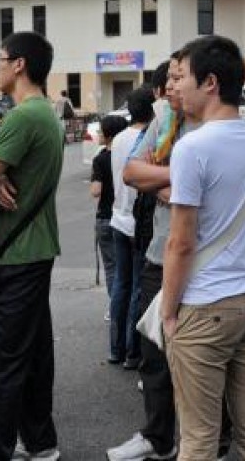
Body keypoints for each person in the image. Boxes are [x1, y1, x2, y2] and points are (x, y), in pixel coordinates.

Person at [163, 36, 245, 460]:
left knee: (198, 435)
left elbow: (180, 243)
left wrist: (167, 312)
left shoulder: (192, 147)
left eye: (183, 77)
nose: (176, 86)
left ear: (210, 82)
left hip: (205, 303)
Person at [0, 31, 64, 461]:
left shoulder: (23, 117)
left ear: (20, 65)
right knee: (34, 353)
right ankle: (41, 442)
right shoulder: (46, 114)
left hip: (16, 253)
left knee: (5, 362)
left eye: (0, 60)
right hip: (35, 249)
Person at [108, 55, 196, 461]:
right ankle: (158, 437)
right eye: (170, 79)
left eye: (180, 78)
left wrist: (163, 181)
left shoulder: (212, 128)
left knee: (200, 361)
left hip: (201, 262)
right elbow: (131, 172)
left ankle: (208, 441)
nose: (171, 87)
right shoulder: (164, 121)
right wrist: (182, 183)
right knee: (153, 352)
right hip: (158, 254)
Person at [108, 86, 155, 369]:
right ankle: (133, 352)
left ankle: (116, 348)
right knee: (138, 286)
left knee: (121, 285)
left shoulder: (119, 138)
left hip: (117, 216)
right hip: (138, 223)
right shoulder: (146, 139)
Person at [91, 114, 129, 303]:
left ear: (109, 135)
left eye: (100, 130)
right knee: (127, 267)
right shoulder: (129, 155)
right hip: (127, 217)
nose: (98, 133)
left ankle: (115, 306)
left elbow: (96, 191)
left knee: (112, 268)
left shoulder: (100, 159)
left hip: (106, 217)